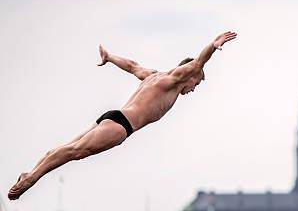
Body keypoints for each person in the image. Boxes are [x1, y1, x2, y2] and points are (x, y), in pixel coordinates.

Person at [8, 31, 238, 200]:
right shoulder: (172, 81)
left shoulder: (154, 76)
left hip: (114, 116)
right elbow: (199, 62)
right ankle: (31, 179)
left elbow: (131, 66)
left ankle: (31, 173)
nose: (193, 89)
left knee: (68, 148)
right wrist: (213, 45)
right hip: (121, 126)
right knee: (74, 152)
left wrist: (110, 57)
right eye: (196, 83)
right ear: (188, 75)